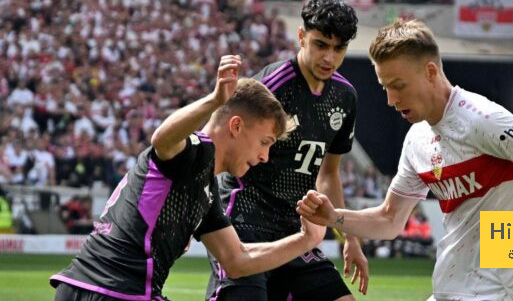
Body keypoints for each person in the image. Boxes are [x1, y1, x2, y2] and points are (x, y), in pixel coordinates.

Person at [296, 19, 513, 301]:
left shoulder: (482, 118)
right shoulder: (417, 139)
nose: (390, 99)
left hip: (506, 289)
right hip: (453, 284)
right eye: (385, 87)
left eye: (398, 85)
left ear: (430, 72)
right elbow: (390, 219)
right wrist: (335, 217)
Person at [49, 55, 326, 301]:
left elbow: (237, 260)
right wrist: (216, 99)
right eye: (264, 142)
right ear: (236, 126)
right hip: (116, 290)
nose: (265, 156)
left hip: (85, 287)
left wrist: (305, 239)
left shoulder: (205, 187)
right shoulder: (195, 150)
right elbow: (162, 139)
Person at [206, 0, 368, 301]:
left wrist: (351, 239)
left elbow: (329, 175)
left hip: (296, 227)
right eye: (321, 45)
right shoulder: (270, 88)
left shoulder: (346, 98)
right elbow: (220, 147)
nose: (329, 58)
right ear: (301, 37)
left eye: (339, 49)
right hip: (244, 220)